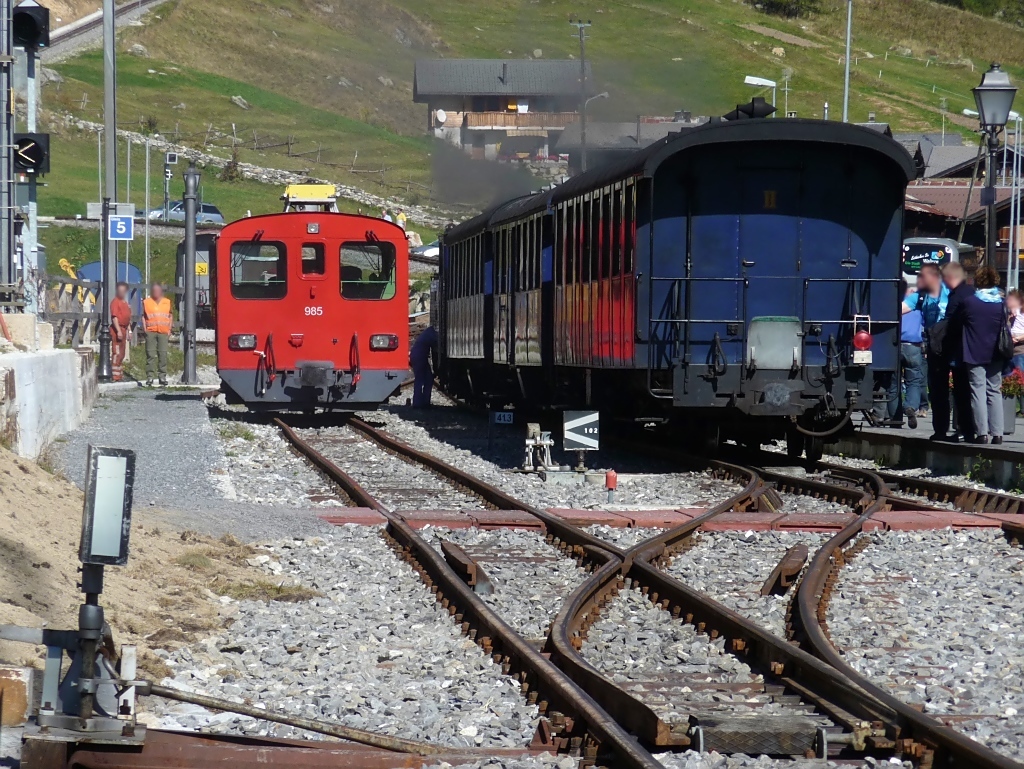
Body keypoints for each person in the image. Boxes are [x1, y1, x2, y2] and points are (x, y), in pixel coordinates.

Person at [957, 266, 1008, 444]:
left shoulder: (970, 302)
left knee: (977, 391)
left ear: (978, 281)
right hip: (996, 352)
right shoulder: (1001, 303)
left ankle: (982, 433)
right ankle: (998, 433)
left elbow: (960, 321)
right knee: (994, 390)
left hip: (974, 350)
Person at [903, 263, 952, 440]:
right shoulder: (921, 296)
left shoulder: (949, 291)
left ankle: (964, 429)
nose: (918, 280)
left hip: (952, 344)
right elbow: (901, 308)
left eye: (922, 276)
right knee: (937, 389)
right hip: (933, 346)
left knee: (960, 388)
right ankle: (940, 430)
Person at [941, 262, 976, 441]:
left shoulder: (956, 297)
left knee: (961, 392)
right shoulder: (972, 292)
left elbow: (950, 324)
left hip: (959, 350)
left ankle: (965, 429)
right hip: (975, 350)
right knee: (976, 391)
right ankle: (977, 429)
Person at [886, 280, 922, 427]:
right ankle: (911, 406)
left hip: (894, 346)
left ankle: (895, 419)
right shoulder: (916, 306)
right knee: (913, 380)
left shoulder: (890, 304)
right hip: (913, 346)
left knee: (893, 384)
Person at [142, 283, 172, 387]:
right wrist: (145, 329)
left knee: (162, 354)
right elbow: (143, 316)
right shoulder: (146, 302)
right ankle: (150, 377)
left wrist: (169, 329)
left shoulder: (167, 302)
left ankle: (162, 377)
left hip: (163, 331)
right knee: (150, 354)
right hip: (151, 331)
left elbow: (170, 315)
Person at [409, 325, 438, 408]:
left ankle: (422, 401)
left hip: (418, 356)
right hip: (420, 357)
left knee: (427, 378)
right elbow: (436, 344)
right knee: (422, 379)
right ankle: (419, 403)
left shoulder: (428, 332)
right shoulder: (432, 333)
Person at [110, 282, 132, 382]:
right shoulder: (116, 302)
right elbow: (114, 317)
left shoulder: (125, 303)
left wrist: (129, 331)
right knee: (117, 352)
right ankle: (115, 376)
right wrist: (118, 331)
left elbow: (128, 318)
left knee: (122, 353)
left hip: (124, 328)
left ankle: (119, 374)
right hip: (117, 329)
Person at [1009, 288, 1024, 373]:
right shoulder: (1012, 313)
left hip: (1020, 350)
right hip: (1010, 350)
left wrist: (1017, 339)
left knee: (1020, 376)